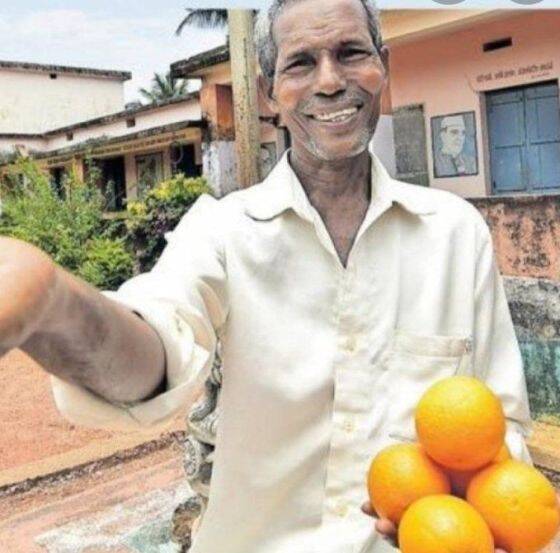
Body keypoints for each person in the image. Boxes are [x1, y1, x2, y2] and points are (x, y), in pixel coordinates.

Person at [0, 0, 531, 551]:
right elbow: (158, 351)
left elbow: (501, 427)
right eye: (301, 63)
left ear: (384, 66)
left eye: (351, 53)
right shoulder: (223, 231)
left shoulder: (455, 233)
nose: (331, 81)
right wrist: (52, 303)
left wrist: (468, 512)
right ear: (270, 91)